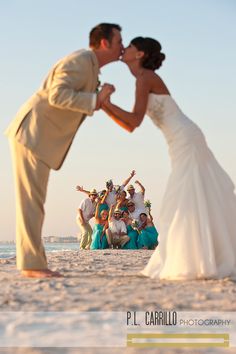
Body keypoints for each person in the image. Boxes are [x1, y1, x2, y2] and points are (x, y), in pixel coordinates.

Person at [102, 36, 236, 279]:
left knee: (185, 195)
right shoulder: (142, 78)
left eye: (130, 46)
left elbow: (133, 122)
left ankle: (201, 258)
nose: (125, 48)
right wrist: (105, 104)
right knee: (192, 195)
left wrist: (104, 103)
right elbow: (132, 124)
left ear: (140, 54)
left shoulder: (145, 78)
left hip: (185, 139)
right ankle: (203, 256)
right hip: (180, 140)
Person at [5, 23, 123, 278]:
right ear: (104, 43)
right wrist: (95, 98)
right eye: (119, 42)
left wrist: (98, 99)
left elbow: (73, 101)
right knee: (31, 203)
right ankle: (32, 265)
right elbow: (57, 95)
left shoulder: (90, 68)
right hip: (32, 133)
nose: (122, 48)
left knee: (34, 202)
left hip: (40, 139)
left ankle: (33, 263)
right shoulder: (81, 60)